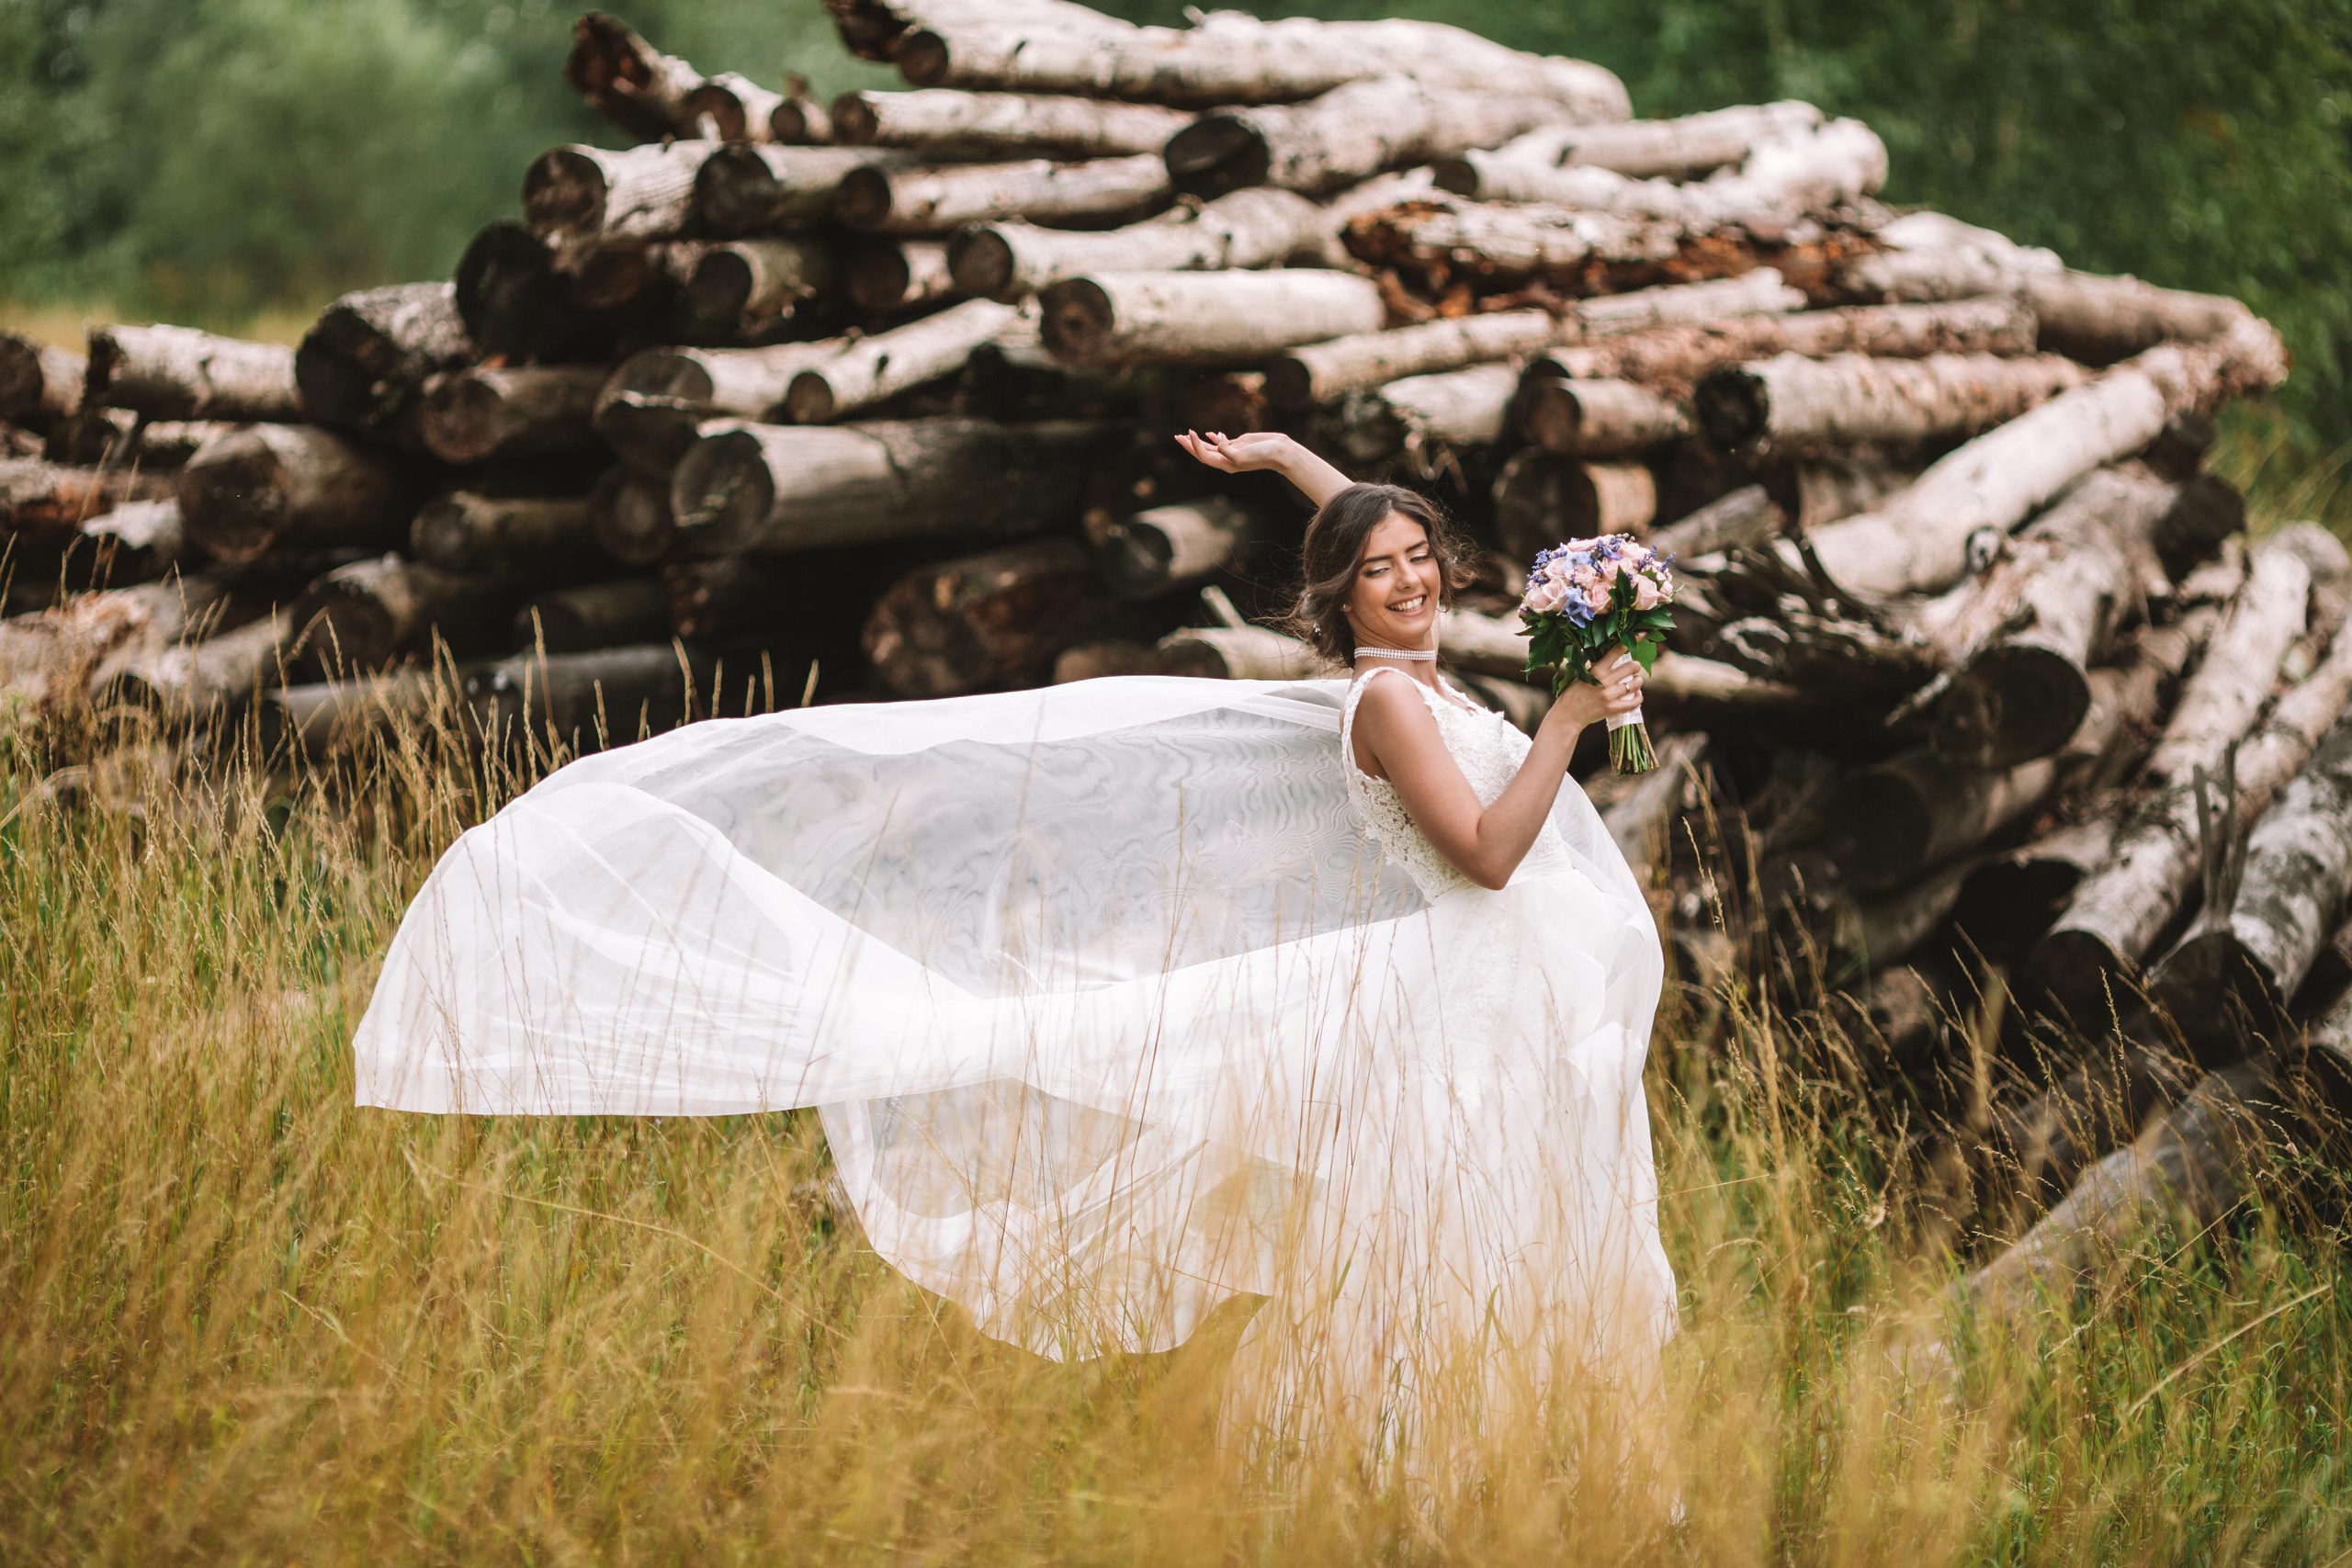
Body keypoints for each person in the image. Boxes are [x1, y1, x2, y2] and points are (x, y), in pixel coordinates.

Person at [352, 428, 1676, 1462]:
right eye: (1381, 571)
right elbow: (1488, 856)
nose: (1411, 579)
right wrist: (1563, 723)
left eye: (1420, 557)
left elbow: (1367, 536)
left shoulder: (1417, 656)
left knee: (1525, 1232)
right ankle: (1424, 1470)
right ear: (1344, 606)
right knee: (1448, 1242)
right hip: (1453, 999)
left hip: (1495, 1000)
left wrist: (1286, 467)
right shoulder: (1389, 702)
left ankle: (1530, 1458)